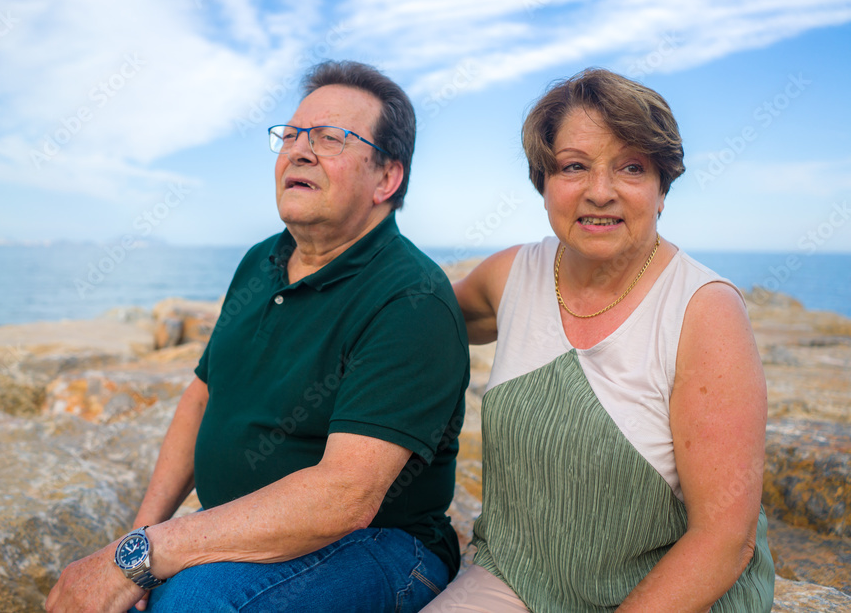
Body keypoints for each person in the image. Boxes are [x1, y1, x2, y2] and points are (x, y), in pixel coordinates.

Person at [46, 61, 470, 613]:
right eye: (291, 135)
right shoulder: (259, 260)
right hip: (251, 529)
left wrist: (144, 556)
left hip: (383, 546)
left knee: (194, 605)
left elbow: (344, 499)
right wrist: (136, 544)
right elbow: (203, 395)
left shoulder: (411, 297)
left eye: (330, 138)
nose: (299, 150)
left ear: (386, 178)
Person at [424, 68, 774, 612]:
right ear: (544, 184)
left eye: (631, 167)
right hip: (518, 576)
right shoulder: (514, 274)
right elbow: (420, 317)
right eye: (574, 166)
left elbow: (725, 540)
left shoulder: (704, 309)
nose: (600, 191)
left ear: (662, 189)